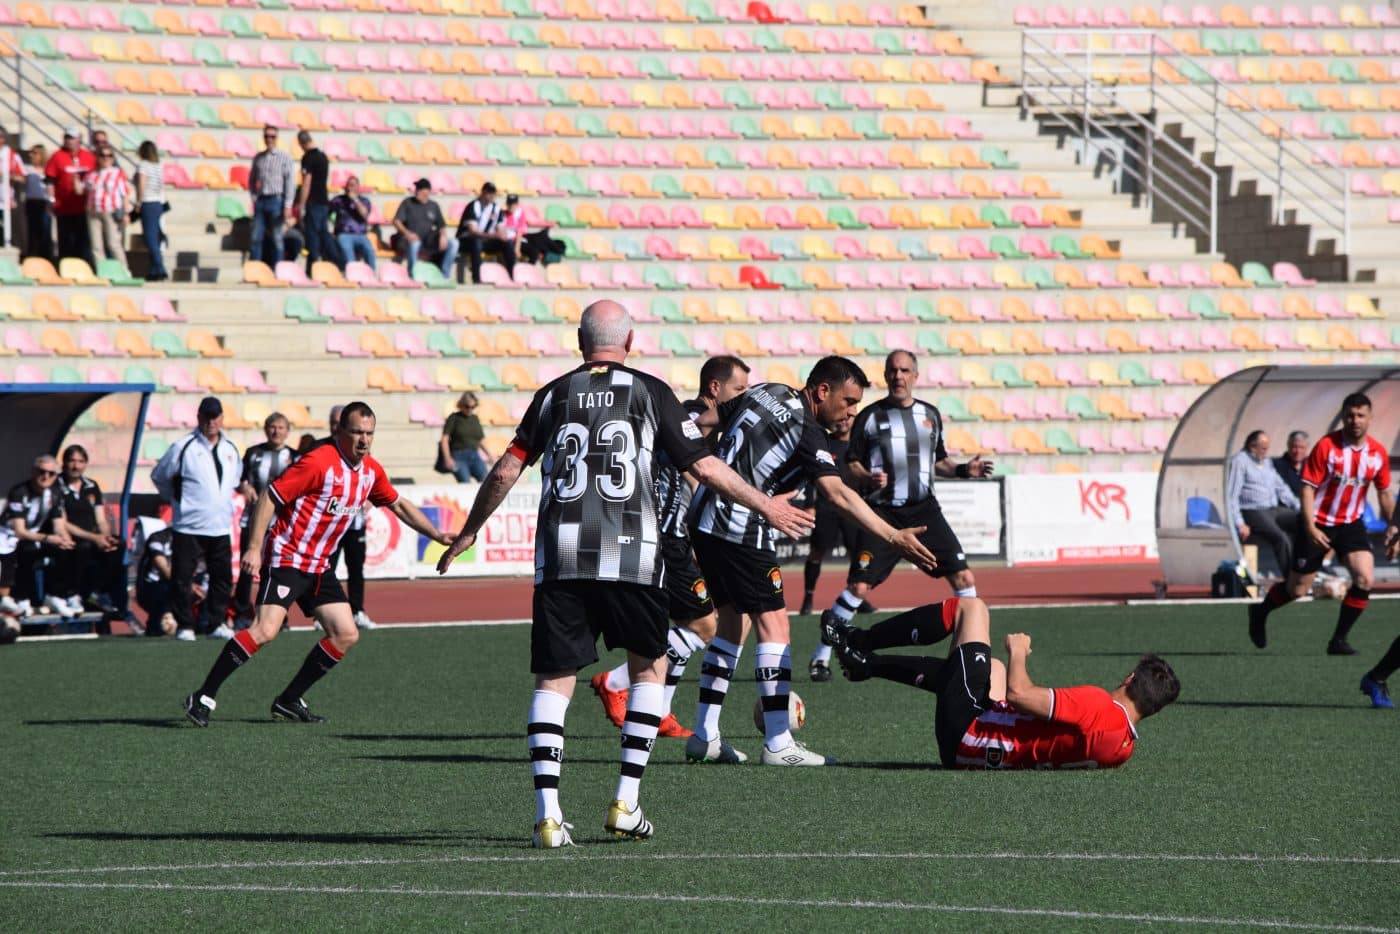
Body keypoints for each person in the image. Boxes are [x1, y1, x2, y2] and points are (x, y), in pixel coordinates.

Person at [435, 301, 812, 848]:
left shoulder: (553, 394)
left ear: (579, 340)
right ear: (629, 340)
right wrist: (767, 506)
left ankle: (547, 816)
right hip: (633, 556)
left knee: (552, 683)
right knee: (649, 670)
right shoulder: (651, 391)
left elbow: (507, 467)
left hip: (562, 557)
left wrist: (471, 529)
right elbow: (704, 466)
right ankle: (626, 802)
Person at [684, 355, 937, 766]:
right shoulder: (807, 430)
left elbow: (707, 420)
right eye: (848, 400)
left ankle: (705, 734)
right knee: (775, 625)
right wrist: (892, 535)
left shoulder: (768, 390)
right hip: (740, 526)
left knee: (732, 624)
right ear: (823, 391)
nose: (851, 411)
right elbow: (838, 494)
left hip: (703, 517)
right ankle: (779, 743)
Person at [185, 402, 450, 727]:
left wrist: (437, 535)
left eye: (369, 433)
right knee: (265, 630)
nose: (364, 440)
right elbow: (270, 497)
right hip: (287, 557)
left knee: (346, 633)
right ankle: (204, 695)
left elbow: (400, 506)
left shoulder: (370, 472)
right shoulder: (319, 462)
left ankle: (288, 700)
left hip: (319, 566)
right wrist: (254, 548)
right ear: (339, 432)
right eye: (356, 432)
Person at [589, 354, 753, 739]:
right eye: (739, 390)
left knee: (686, 625)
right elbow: (693, 471)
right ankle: (615, 682)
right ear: (715, 388)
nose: (744, 397)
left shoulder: (693, 417)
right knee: (707, 625)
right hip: (668, 537)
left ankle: (660, 710)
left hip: (667, 533)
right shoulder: (693, 415)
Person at [823, 599, 1180, 769]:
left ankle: (861, 641)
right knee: (987, 668)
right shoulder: (1122, 749)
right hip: (993, 752)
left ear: (1129, 678)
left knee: (971, 610)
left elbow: (1019, 694)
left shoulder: (1100, 705)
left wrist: (1019, 652)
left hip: (970, 733)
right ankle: (867, 665)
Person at [814, 350, 993, 680]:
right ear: (885, 376)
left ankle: (966, 653)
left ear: (915, 376)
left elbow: (939, 462)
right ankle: (821, 657)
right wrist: (866, 477)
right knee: (859, 588)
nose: (898, 376)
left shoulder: (930, 415)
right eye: (893, 370)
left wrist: (965, 469)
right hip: (884, 513)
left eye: (905, 370)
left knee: (965, 579)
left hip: (925, 510)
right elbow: (851, 463)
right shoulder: (868, 416)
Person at [1248, 393, 1394, 656]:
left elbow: (1384, 493)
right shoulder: (1327, 447)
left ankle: (1338, 640)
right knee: (1297, 589)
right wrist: (1311, 526)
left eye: (1361, 415)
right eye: (1350, 415)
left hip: (1351, 523)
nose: (1355, 421)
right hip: (1319, 523)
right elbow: (1307, 489)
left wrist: (1394, 528)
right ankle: (1260, 612)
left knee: (1365, 578)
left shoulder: (1377, 454)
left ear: (1370, 418)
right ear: (1343, 417)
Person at [151, 396, 242, 642]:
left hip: (219, 526)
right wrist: (178, 501)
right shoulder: (183, 447)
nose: (211, 421)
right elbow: (160, 476)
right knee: (182, 577)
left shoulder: (230, 448)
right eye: (206, 416)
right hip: (188, 526)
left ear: (222, 418)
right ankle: (185, 625)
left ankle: (215, 622)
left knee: (222, 578)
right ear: (199, 417)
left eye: (215, 416)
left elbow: (234, 481)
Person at [799, 413, 864, 621]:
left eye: (849, 417)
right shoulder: (824, 442)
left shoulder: (860, 445)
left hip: (853, 509)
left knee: (858, 555)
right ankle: (808, 598)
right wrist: (810, 504)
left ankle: (856, 597)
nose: (844, 420)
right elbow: (810, 475)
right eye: (841, 417)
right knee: (816, 552)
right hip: (827, 507)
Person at [316, 405, 376, 630]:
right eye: (332, 421)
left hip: (354, 522)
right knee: (325, 566)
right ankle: (322, 614)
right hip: (329, 525)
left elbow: (373, 481)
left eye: (368, 434)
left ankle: (358, 610)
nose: (363, 439)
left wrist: (370, 499)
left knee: (355, 568)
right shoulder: (322, 450)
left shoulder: (361, 452)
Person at [232, 412, 294, 627]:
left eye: (280, 427)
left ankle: (277, 616)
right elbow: (238, 479)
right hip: (252, 520)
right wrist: (245, 487)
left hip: (281, 524)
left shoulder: (295, 457)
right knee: (247, 567)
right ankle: (241, 614)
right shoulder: (253, 453)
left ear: (288, 431)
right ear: (266, 429)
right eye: (272, 427)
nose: (276, 431)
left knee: (277, 570)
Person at [4, 455, 82, 618]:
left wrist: (64, 538)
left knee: (69, 548)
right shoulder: (20, 492)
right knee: (27, 549)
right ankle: (21, 597)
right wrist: (48, 538)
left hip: (36, 535)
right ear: (33, 472)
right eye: (41, 472)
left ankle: (57, 595)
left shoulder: (55, 493)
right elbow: (20, 531)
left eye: (51, 473)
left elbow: (59, 524)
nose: (45, 477)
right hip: (8, 537)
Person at [54, 445, 121, 614]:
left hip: (92, 535)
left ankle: (100, 592)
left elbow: (100, 519)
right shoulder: (56, 486)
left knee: (118, 545)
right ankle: (74, 593)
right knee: (83, 547)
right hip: (68, 536)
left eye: (80, 461)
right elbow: (63, 523)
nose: (76, 466)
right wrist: (94, 538)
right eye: (72, 461)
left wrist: (105, 537)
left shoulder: (91, 486)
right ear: (64, 463)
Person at [1225, 430, 1301, 579]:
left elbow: (1281, 488)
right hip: (1252, 510)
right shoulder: (1240, 461)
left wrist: (1299, 507)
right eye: (1264, 449)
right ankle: (1292, 580)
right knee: (1280, 538)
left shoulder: (1266, 462)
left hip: (1273, 508)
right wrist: (1239, 523)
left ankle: (1306, 569)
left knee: (1306, 522)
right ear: (1253, 447)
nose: (1266, 452)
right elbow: (1232, 495)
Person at [44, 125, 96, 266]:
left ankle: (84, 267)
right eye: (67, 137)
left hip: (84, 207)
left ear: (79, 139)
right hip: (64, 205)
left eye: (72, 138)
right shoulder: (57, 156)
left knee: (83, 239)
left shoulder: (88, 157)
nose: (69, 141)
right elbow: (50, 179)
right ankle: (65, 266)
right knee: (66, 240)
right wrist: (51, 199)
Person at [247, 125, 294, 267]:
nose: (269, 139)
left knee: (277, 237)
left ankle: (277, 269)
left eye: (272, 136)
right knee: (256, 236)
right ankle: (256, 268)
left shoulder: (284, 158)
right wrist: (255, 197)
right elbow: (251, 179)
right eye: (267, 136)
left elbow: (289, 182)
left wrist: (287, 205)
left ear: (276, 138)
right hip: (261, 200)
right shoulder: (258, 158)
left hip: (276, 200)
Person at [393, 178, 457, 278]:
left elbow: (442, 224)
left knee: (454, 243)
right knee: (415, 243)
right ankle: (413, 275)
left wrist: (443, 236)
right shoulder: (408, 203)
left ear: (428, 191)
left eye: (420, 189)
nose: (417, 191)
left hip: (428, 239)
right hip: (409, 239)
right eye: (417, 188)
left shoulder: (433, 205)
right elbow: (397, 221)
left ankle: (445, 275)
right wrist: (407, 233)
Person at [456, 181, 513, 284]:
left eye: (493, 193)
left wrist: (501, 236)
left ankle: (511, 277)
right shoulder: (473, 206)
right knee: (476, 243)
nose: (492, 196)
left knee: (507, 243)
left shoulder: (496, 208)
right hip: (466, 240)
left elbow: (500, 228)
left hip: (486, 240)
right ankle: (476, 279)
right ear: (483, 193)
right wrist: (493, 235)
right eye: (489, 192)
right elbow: (473, 231)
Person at [295, 130, 334, 274]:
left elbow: (307, 183)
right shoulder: (323, 157)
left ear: (301, 143)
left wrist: (301, 204)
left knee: (312, 236)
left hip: (313, 202)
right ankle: (332, 262)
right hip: (324, 200)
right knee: (323, 233)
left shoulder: (308, 158)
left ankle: (313, 267)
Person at [85, 145, 130, 271]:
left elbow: (125, 194)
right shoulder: (92, 174)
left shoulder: (117, 173)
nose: (106, 158)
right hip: (93, 210)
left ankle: (124, 270)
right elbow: (83, 189)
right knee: (96, 245)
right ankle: (102, 271)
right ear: (98, 157)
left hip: (110, 210)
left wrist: (126, 213)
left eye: (109, 156)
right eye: (102, 155)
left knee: (113, 243)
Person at [134, 519, 176, 637]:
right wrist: (186, 583)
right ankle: (155, 625)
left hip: (182, 584)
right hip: (152, 588)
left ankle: (205, 625)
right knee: (164, 588)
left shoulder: (193, 540)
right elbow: (163, 568)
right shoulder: (157, 539)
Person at [133, 141, 167, 281]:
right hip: (157, 203)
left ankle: (160, 267)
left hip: (147, 202)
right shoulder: (157, 166)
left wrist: (139, 201)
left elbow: (142, 184)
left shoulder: (144, 165)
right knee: (155, 236)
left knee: (150, 238)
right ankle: (153, 270)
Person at [440, 392, 492, 483]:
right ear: (461, 405)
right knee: (465, 483)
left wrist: (491, 455)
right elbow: (445, 439)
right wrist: (447, 458)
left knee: (486, 481)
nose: (470, 409)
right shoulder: (454, 418)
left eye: (473, 407)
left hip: (474, 455)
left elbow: (481, 440)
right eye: (467, 407)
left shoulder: (475, 418)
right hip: (459, 456)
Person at [329, 175, 375, 271]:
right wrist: (329, 229)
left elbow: (364, 214)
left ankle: (372, 275)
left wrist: (355, 200)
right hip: (344, 234)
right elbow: (326, 213)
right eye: (349, 185)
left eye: (353, 185)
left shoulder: (364, 201)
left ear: (358, 187)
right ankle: (352, 274)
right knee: (347, 250)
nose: (350, 188)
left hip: (361, 235)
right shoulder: (339, 200)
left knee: (370, 250)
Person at [23, 144, 52, 261]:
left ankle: (45, 257)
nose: (31, 155)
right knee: (31, 231)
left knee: (44, 230)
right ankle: (32, 255)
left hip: (44, 201)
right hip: (31, 201)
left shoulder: (48, 170)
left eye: (35, 153)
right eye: (31, 153)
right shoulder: (27, 169)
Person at [1, 125, 24, 249]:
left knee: (10, 232)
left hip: (7, 200)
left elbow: (22, 177)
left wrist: (7, 175)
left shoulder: (12, 156)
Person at [1274, 430, 1309, 499]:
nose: (1298, 451)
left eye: (1301, 447)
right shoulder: (1277, 466)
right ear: (1288, 446)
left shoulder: (1311, 466)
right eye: (1294, 447)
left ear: (1307, 448)